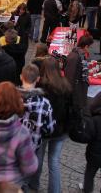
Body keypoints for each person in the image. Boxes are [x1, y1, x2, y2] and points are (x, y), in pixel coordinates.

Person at [33, 57, 73, 193]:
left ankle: (34, 185)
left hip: (44, 129)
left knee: (38, 158)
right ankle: (55, 190)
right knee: (54, 161)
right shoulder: (66, 85)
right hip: (61, 130)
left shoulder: (40, 87)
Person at [17, 64, 55, 151]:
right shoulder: (45, 104)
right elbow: (50, 129)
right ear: (38, 79)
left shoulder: (9, 98)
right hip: (32, 148)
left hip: (11, 147)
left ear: (21, 77)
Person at [65, 34, 94, 110]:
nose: (90, 49)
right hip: (76, 93)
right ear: (86, 46)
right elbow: (69, 77)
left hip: (80, 89)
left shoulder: (81, 55)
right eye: (90, 47)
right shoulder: (75, 57)